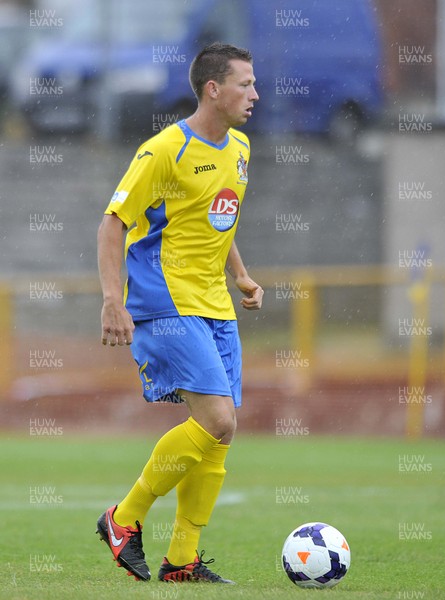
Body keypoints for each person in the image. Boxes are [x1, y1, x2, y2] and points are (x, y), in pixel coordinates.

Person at [95, 42, 262, 584]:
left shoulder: (240, 148)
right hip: (165, 302)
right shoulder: (163, 150)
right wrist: (111, 300)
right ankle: (124, 518)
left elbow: (219, 218)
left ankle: (182, 560)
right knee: (218, 419)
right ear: (213, 89)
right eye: (244, 84)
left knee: (219, 433)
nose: (254, 94)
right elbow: (113, 223)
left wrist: (239, 274)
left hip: (215, 305)